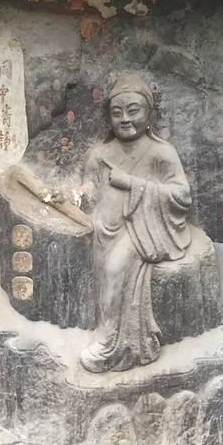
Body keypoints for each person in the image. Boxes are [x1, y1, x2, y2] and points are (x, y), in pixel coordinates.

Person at [77, 71, 192, 373]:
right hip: (104, 230)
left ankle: (108, 341)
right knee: (104, 275)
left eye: (133, 111)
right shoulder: (99, 154)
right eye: (117, 113)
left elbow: (182, 195)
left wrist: (132, 183)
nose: (125, 119)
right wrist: (79, 195)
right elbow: (89, 191)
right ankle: (110, 330)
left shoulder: (161, 153)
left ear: (148, 114)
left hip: (143, 228)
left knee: (116, 268)